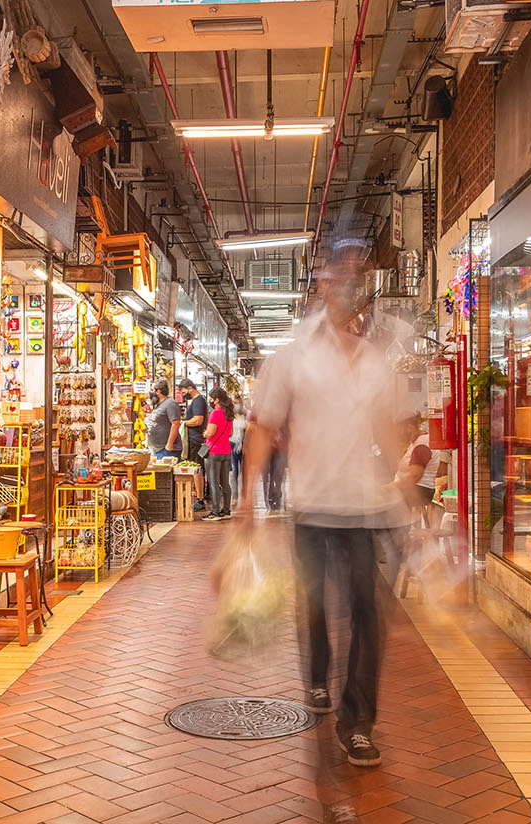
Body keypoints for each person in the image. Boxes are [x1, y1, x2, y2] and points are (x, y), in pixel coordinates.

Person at [239, 240, 413, 769]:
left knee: (367, 613)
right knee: (314, 603)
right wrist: (248, 499)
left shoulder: (374, 360)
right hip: (311, 505)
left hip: (362, 506)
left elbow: (385, 424)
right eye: (339, 272)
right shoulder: (293, 355)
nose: (349, 283)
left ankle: (356, 722)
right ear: (321, 283)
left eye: (357, 273)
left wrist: (405, 484)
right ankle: (317, 676)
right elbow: (264, 426)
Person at [201, 388, 236, 520]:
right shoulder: (229, 413)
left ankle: (215, 512)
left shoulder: (216, 413)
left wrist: (205, 434)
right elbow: (231, 433)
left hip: (214, 452)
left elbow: (210, 433)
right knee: (225, 482)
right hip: (226, 451)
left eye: (211, 398)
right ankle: (226, 510)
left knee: (214, 482)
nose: (210, 400)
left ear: (216, 400)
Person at [178, 378, 209, 510]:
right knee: (196, 468)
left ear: (190, 388)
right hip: (195, 439)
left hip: (195, 440)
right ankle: (197, 497)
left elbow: (198, 420)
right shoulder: (197, 401)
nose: (183, 394)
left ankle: (200, 499)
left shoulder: (198, 401)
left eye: (183, 391)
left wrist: (183, 423)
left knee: (196, 468)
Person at [145, 380, 182, 458]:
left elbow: (176, 424)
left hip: (166, 449)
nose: (150, 393)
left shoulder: (170, 403)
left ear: (158, 391)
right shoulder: (158, 405)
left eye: (152, 390)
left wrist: (169, 444)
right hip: (157, 449)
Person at [230, 399, 247, 502]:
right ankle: (235, 495)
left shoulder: (245, 420)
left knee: (243, 471)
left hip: (243, 447)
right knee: (235, 471)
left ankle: (243, 495)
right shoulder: (232, 420)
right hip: (233, 445)